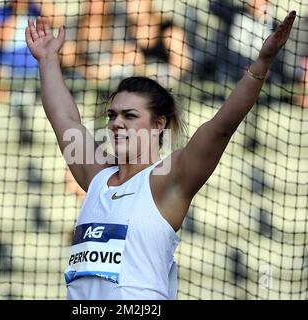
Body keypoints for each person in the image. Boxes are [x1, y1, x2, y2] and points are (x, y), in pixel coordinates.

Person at [25, 10, 296, 299]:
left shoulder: (167, 181)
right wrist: (48, 60)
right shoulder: (97, 177)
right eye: (113, 115)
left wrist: (263, 62)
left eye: (130, 116)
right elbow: (64, 118)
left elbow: (221, 128)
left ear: (158, 124)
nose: (116, 123)